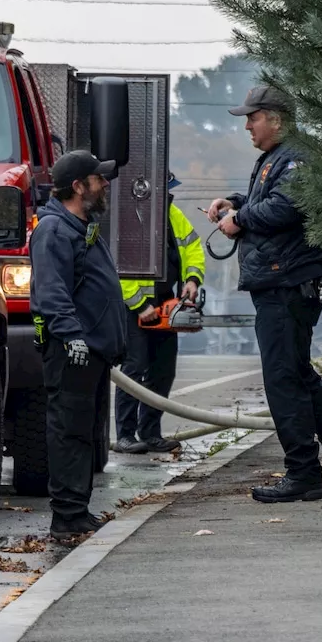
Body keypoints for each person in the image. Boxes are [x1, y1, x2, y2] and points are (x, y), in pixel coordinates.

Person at [206, 85, 322, 503]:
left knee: (284, 380)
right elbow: (270, 201)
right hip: (282, 284)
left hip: (286, 285)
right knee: (298, 375)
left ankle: (303, 474)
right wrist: (234, 203)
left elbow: (286, 208)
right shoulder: (279, 158)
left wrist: (240, 218)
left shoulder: (297, 157)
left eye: (253, 117)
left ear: (276, 119)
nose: (247, 125)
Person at [29, 150, 128, 538]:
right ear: (77, 186)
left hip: (90, 350)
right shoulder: (54, 230)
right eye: (98, 179)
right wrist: (72, 337)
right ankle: (67, 516)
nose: (104, 185)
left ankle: (78, 511)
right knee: (69, 430)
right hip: (72, 350)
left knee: (83, 431)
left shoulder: (80, 227)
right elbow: (52, 293)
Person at [113, 174, 206, 455]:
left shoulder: (172, 215)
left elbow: (192, 248)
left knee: (163, 371)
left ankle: (150, 432)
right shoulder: (131, 219)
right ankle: (125, 435)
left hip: (167, 305)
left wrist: (192, 280)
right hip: (136, 309)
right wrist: (140, 304)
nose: (169, 196)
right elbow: (120, 264)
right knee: (134, 369)